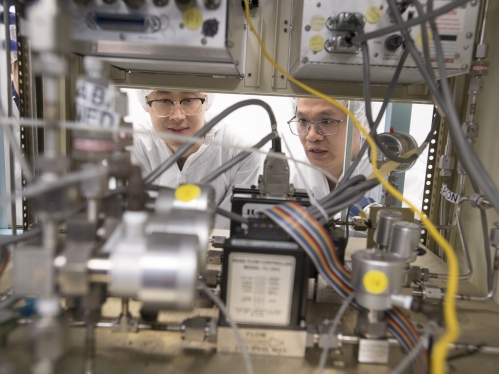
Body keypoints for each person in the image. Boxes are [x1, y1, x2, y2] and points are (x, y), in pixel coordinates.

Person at [129, 89, 263, 229]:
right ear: (146, 104)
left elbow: (228, 229)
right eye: (163, 101)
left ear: (207, 102)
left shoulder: (242, 150)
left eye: (189, 100)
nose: (177, 116)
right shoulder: (136, 143)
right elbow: (138, 223)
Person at [289, 97, 378, 217]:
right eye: (303, 121)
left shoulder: (391, 181)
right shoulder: (293, 177)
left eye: (326, 121)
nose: (311, 136)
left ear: (360, 122)